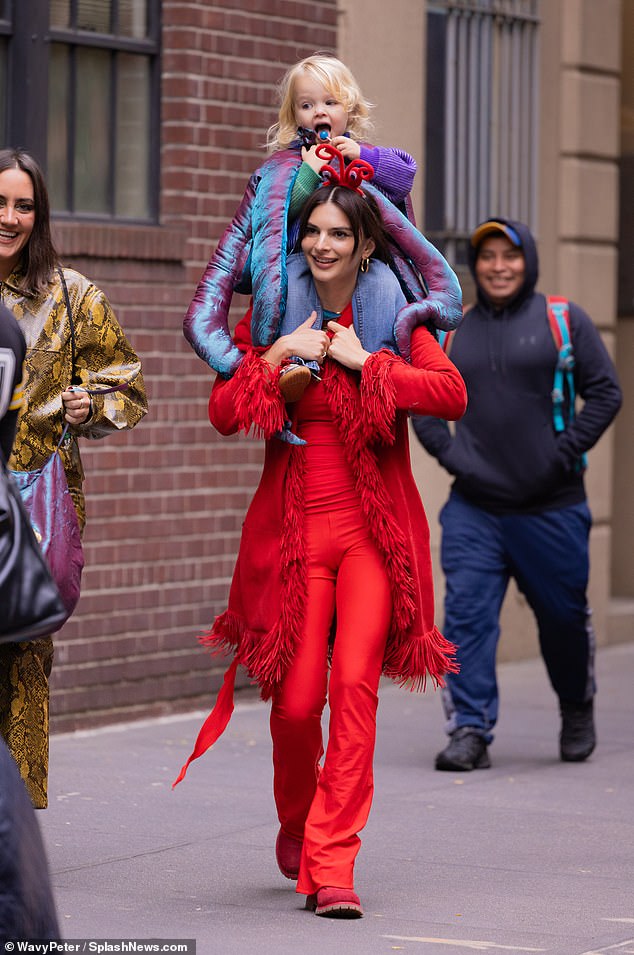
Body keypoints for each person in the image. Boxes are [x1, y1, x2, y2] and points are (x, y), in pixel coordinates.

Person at [175, 179, 467, 918]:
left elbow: (449, 393)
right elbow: (220, 411)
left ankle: (335, 862)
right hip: (298, 531)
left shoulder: (393, 316)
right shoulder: (276, 307)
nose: (324, 244)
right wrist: (279, 353)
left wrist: (367, 361)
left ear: (365, 243)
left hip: (372, 535)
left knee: (356, 690)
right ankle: (299, 822)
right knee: (299, 701)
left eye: (340, 233)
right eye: (313, 231)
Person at [412, 217, 622, 772]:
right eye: (488, 257)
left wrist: (561, 455)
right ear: (474, 266)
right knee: (466, 619)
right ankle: (470, 730)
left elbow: (606, 393)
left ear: (527, 260)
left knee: (562, 618)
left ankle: (577, 706)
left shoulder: (562, 320)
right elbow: (423, 402)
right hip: (475, 508)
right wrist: (457, 460)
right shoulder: (452, 330)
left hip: (551, 505)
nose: (498, 266)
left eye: (510, 256)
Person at [0, 147, 148, 809]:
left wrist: (93, 404)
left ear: (41, 213)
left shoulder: (72, 294)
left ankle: (14, 826)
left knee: (24, 660)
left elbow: (131, 389)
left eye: (23, 205)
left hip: (31, 506)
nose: (9, 217)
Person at [183, 52, 462, 391]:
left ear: (350, 110)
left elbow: (404, 174)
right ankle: (296, 366)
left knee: (382, 284)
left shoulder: (361, 153)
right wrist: (306, 177)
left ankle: (380, 366)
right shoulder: (281, 168)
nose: (319, 112)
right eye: (307, 105)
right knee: (297, 280)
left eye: (330, 102)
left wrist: (363, 156)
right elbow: (267, 239)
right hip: (302, 270)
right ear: (293, 115)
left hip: (366, 270)